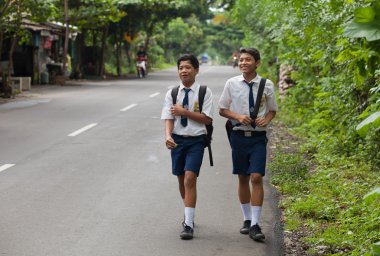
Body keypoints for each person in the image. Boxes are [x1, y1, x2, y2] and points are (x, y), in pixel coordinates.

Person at [218, 48, 278, 241]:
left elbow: (272, 110)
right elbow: (222, 109)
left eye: (248, 60)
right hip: (238, 136)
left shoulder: (266, 85)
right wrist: (238, 116)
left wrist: (266, 120)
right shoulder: (231, 83)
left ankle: (255, 224)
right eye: (241, 60)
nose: (243, 63)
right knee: (243, 177)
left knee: (256, 177)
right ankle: (246, 219)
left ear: (257, 63)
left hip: (258, 138)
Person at [161, 54, 214, 240]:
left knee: (190, 178)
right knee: (181, 179)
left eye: (188, 67)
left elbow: (207, 118)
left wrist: (185, 112)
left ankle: (188, 224)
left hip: (196, 141)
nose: (184, 70)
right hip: (177, 141)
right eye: (181, 67)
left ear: (196, 70)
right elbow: (168, 118)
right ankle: (188, 211)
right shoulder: (172, 93)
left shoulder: (204, 92)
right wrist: (168, 136)